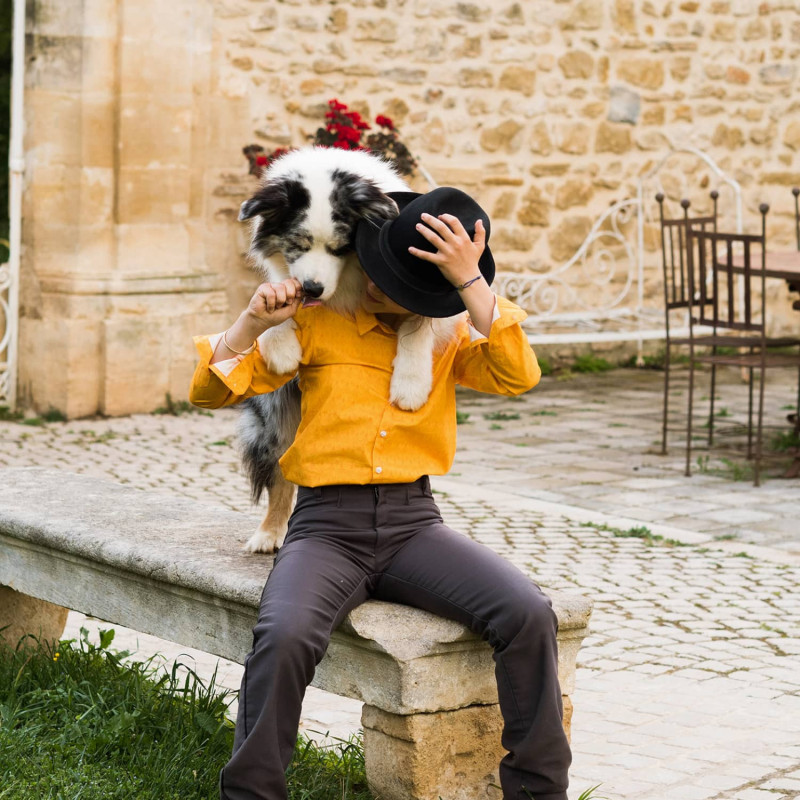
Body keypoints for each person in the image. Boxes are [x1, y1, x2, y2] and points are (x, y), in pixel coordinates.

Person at [189, 187, 572, 800]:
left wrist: (470, 281)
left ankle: (538, 792)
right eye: (374, 263)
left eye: (392, 278)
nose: (371, 280)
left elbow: (517, 372)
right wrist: (251, 323)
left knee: (527, 612)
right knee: (285, 634)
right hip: (325, 527)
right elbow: (209, 391)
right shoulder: (316, 321)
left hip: (414, 525)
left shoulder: (446, 339)